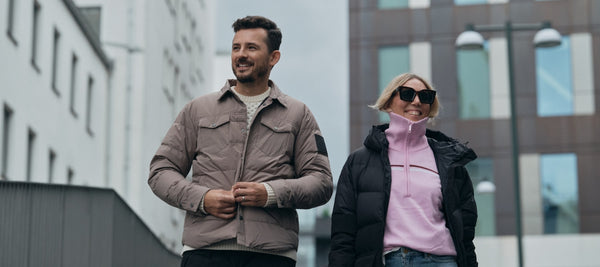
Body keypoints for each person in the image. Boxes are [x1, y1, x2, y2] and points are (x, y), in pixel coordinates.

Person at [148, 16, 333, 267]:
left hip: (271, 256)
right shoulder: (198, 109)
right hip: (205, 252)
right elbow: (160, 171)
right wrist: (203, 198)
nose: (241, 55)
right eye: (236, 47)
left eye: (251, 48)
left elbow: (321, 182)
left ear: (273, 58)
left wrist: (270, 193)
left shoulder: (298, 114)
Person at [329, 73, 478, 267]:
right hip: (390, 260)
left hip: (443, 261)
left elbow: (465, 233)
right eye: (407, 94)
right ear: (388, 102)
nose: (416, 101)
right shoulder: (360, 161)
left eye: (425, 96)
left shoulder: (449, 160)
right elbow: (343, 231)